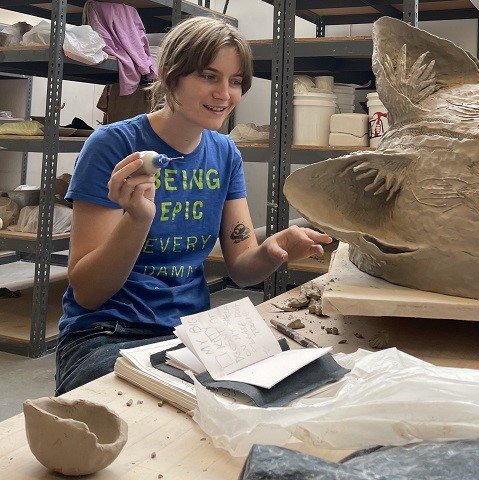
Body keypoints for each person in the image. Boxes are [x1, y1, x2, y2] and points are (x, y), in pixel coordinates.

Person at [55, 17, 332, 395]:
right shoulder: (113, 145)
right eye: (208, 76)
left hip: (194, 334)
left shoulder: (224, 153)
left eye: (235, 82)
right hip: (108, 334)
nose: (224, 94)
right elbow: (87, 292)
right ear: (171, 77)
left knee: (303, 382)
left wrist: (272, 251)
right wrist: (137, 219)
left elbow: (243, 269)